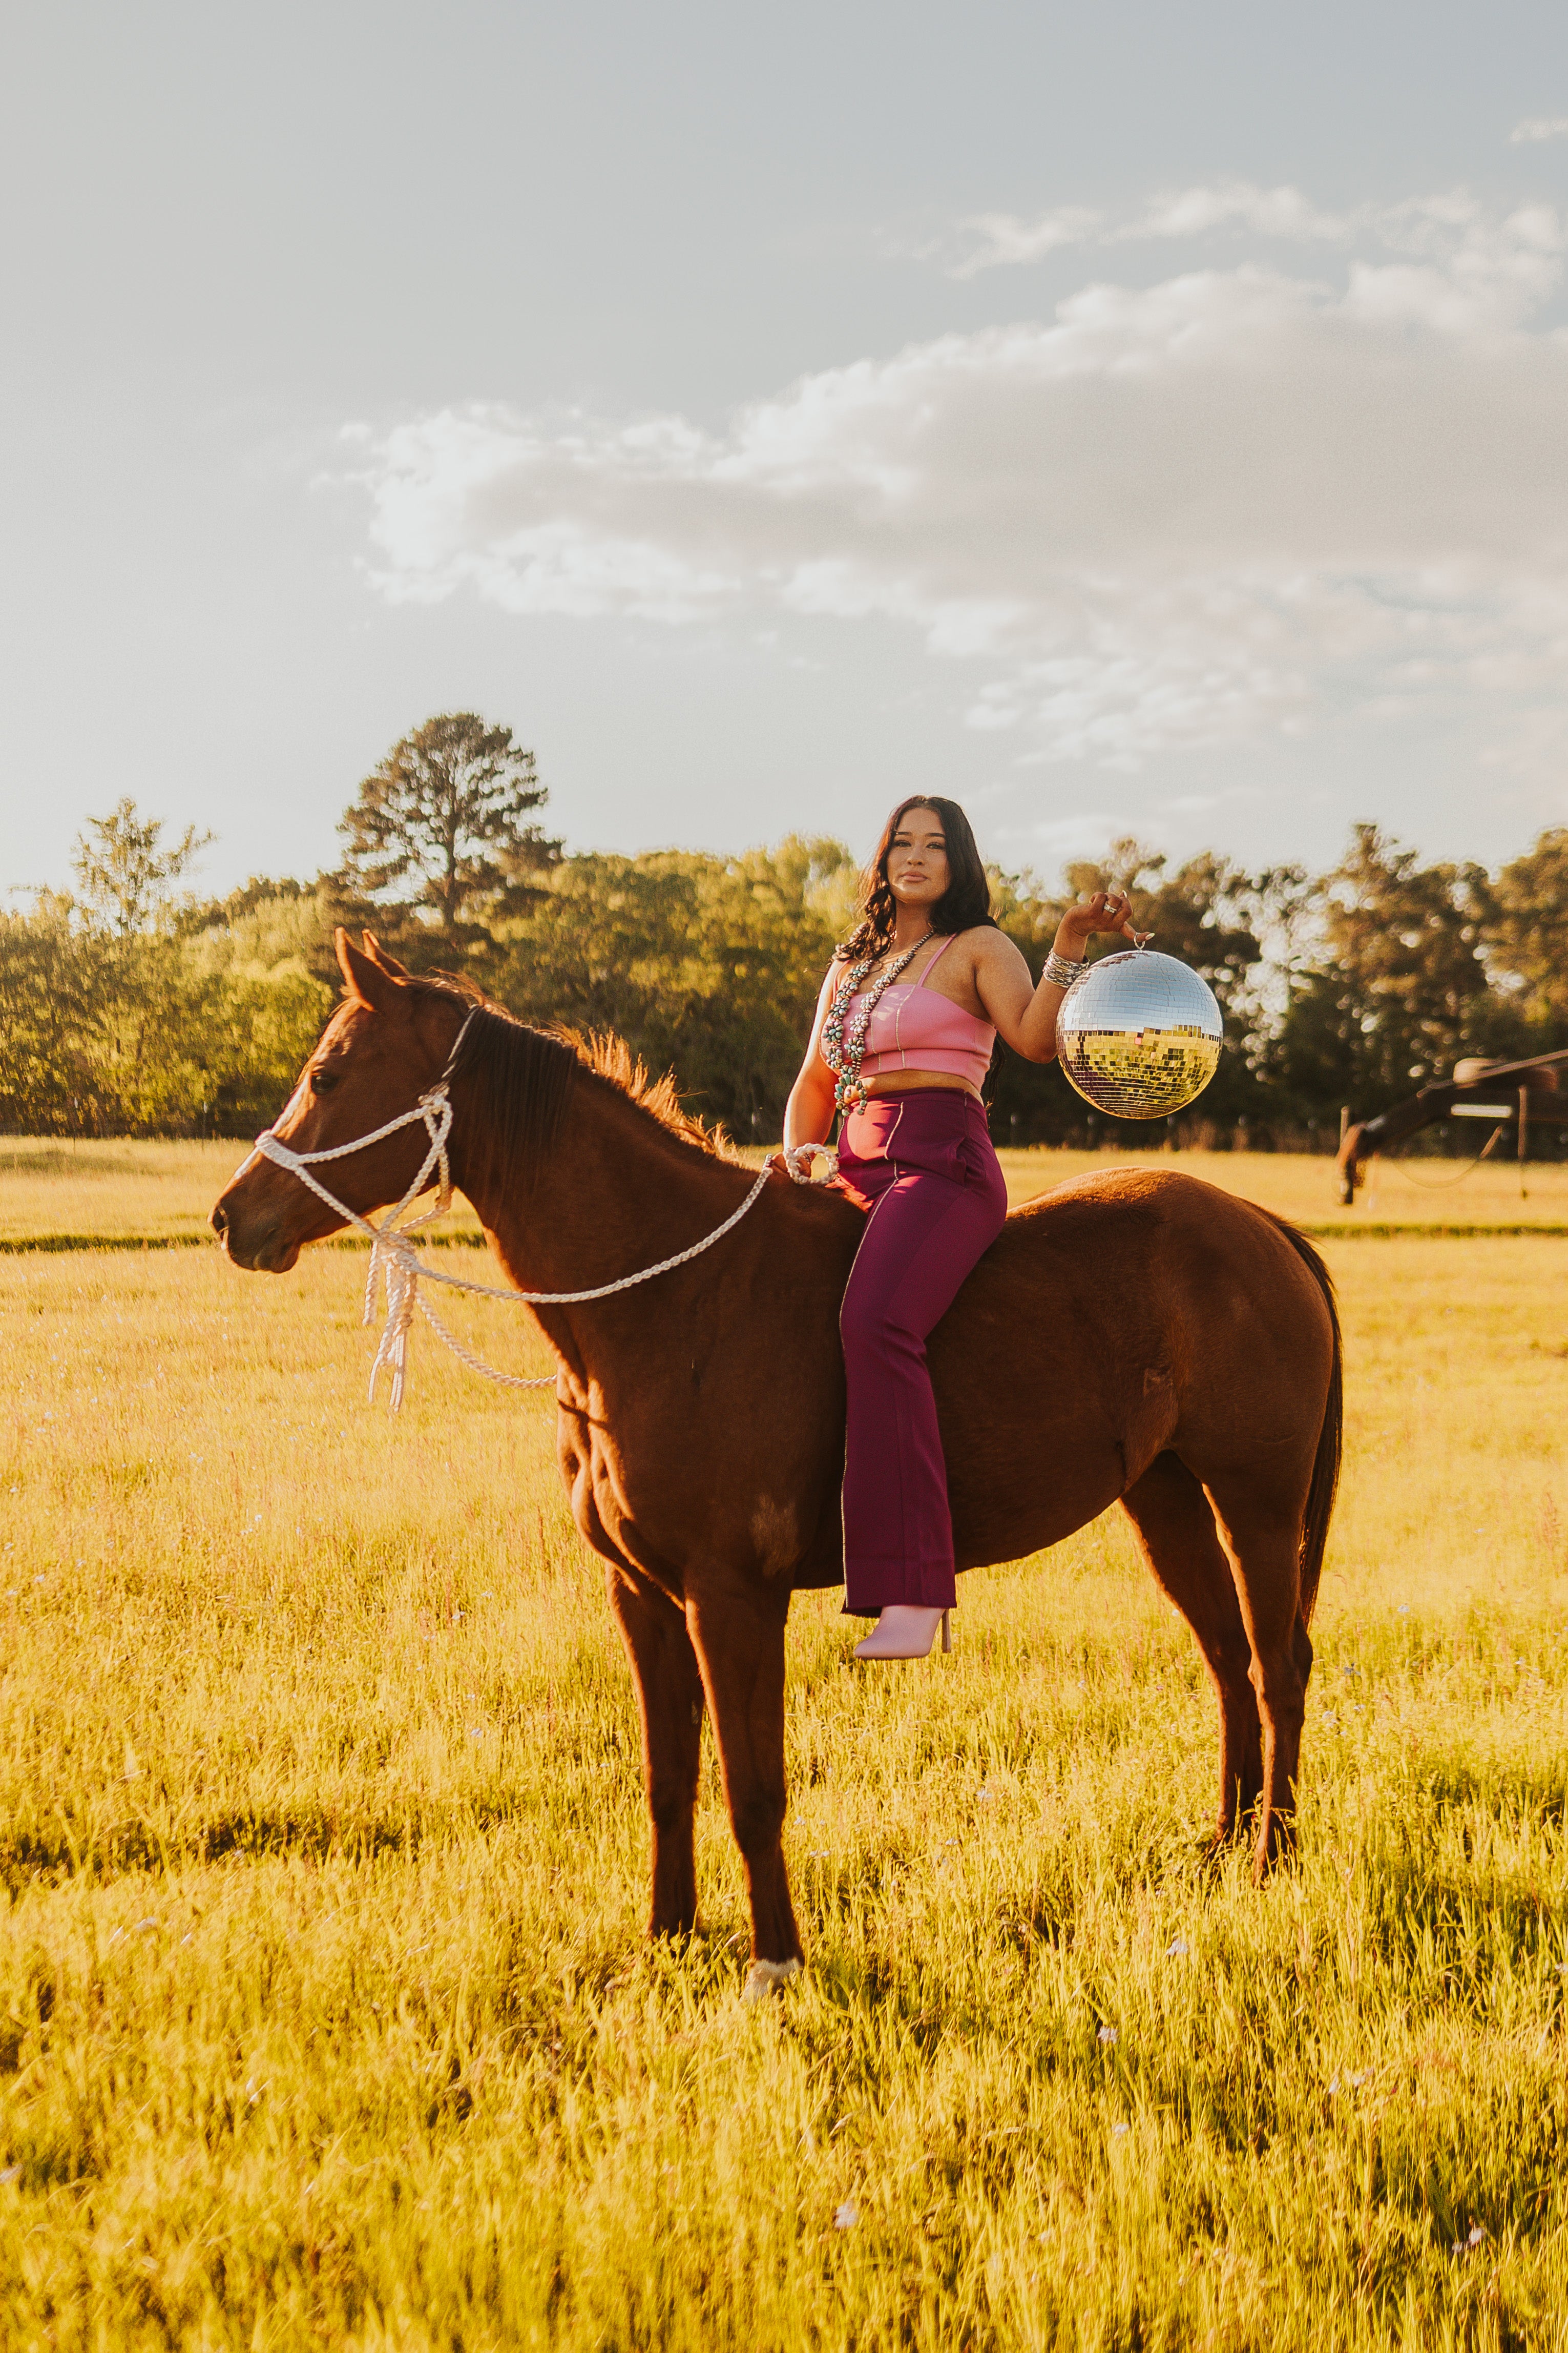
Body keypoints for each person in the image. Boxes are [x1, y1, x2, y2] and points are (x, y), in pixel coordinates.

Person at [783, 796, 1143, 1661]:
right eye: (900, 843)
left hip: (940, 1166)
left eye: (933, 845)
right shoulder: (852, 961)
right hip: (850, 1162)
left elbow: (1031, 1041)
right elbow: (812, 1084)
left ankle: (912, 1594)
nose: (914, 857)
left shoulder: (979, 947)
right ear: (881, 859)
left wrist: (1066, 945)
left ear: (959, 862)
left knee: (876, 1323)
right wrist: (799, 1154)